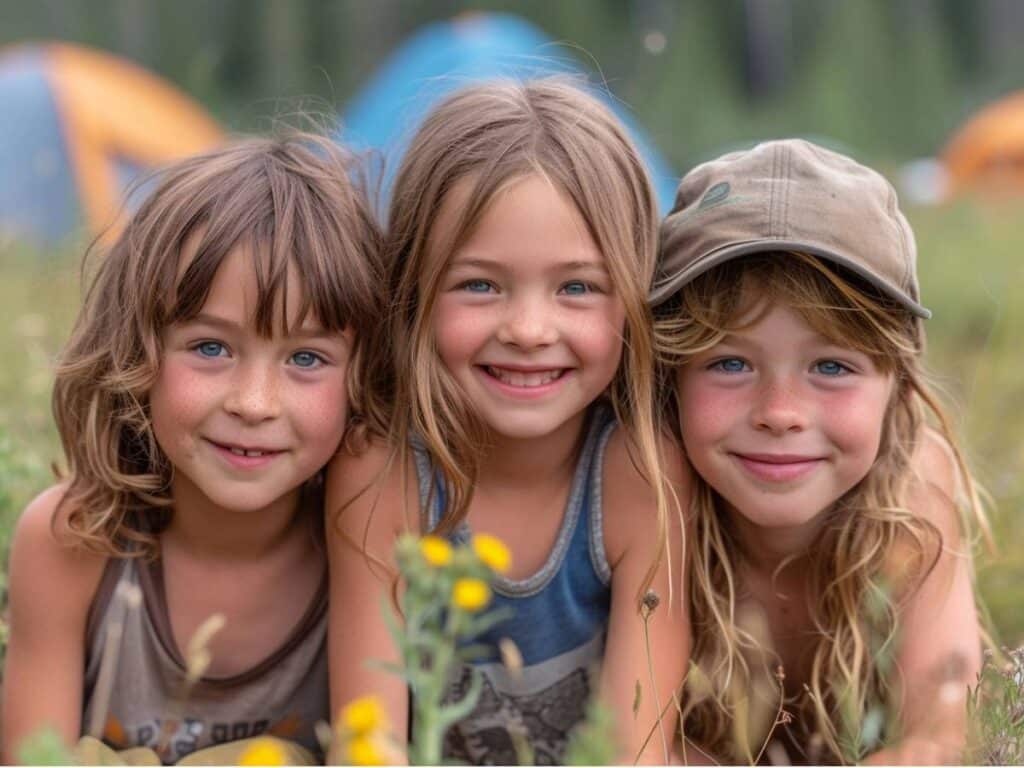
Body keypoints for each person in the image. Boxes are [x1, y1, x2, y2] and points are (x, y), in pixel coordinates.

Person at [327, 78, 689, 765]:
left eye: (577, 287)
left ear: (634, 299)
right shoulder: (382, 470)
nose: (528, 329)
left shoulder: (640, 472)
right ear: (414, 293)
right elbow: (365, 745)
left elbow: (635, 751)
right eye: (480, 285)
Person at [1, 134, 383, 764]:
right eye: (211, 347)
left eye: (307, 358)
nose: (254, 403)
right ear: (134, 351)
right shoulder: (71, 541)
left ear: (367, 377)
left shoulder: (369, 547)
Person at [651, 139, 987, 764]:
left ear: (899, 385)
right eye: (729, 362)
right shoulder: (648, 494)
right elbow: (643, 745)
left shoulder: (915, 488)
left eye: (831, 365)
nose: (780, 413)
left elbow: (943, 735)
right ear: (668, 375)